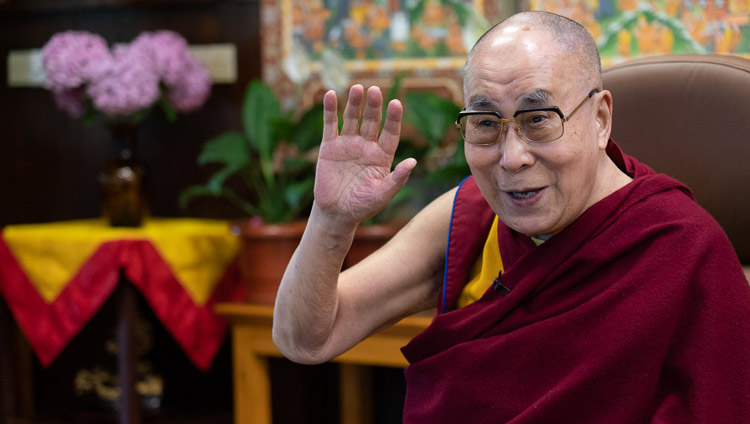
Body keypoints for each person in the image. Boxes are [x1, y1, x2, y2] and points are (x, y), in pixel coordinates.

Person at [273, 10, 750, 423]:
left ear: (600, 119)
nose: (512, 157)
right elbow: (306, 340)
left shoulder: (683, 249)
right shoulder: (471, 218)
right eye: (485, 124)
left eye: (538, 118)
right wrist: (331, 222)